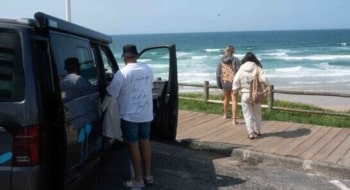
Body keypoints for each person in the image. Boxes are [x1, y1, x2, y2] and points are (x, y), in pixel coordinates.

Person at [106, 44, 154, 188]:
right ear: (137, 56)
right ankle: (148, 176)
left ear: (125, 57)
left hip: (129, 116)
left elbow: (111, 93)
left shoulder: (122, 73)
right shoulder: (148, 69)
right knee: (145, 142)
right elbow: (149, 87)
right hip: (146, 114)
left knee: (133, 145)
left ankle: (138, 179)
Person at [232, 52, 269, 140]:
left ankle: (251, 133)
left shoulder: (241, 68)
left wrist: (235, 90)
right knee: (257, 113)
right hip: (256, 94)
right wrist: (264, 86)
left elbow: (236, 80)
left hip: (245, 94)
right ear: (254, 59)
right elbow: (265, 79)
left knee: (247, 114)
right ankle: (258, 131)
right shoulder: (257, 68)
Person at [216, 45, 241, 124]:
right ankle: (234, 120)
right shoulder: (236, 60)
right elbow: (239, 72)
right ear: (233, 51)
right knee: (234, 100)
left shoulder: (221, 60)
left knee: (226, 98)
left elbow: (218, 73)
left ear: (225, 51)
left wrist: (219, 84)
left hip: (225, 82)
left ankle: (225, 114)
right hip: (234, 83)